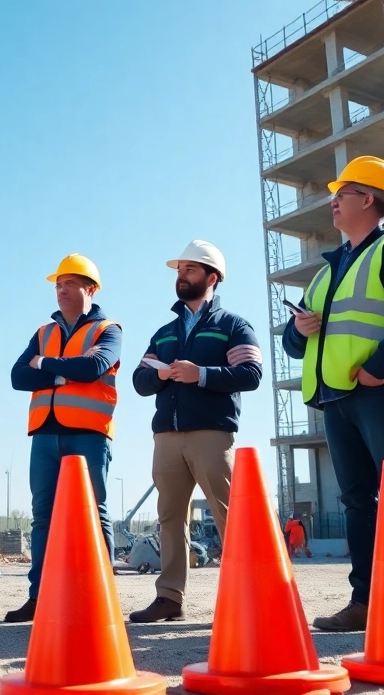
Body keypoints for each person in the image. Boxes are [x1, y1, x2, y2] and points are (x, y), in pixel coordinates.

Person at [281, 155, 384, 632]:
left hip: (381, 390)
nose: (333, 202)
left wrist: (377, 367)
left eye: (342, 194)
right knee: (357, 500)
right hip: (337, 397)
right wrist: (299, 327)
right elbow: (293, 343)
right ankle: (366, 601)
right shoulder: (328, 270)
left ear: (368, 199)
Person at [129, 240, 263, 622]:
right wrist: (162, 373)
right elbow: (140, 381)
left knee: (229, 514)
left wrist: (200, 375)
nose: (181, 276)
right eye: (179, 270)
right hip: (166, 438)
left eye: (189, 269)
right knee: (170, 516)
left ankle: (249, 594)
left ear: (212, 277)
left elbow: (251, 374)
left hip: (211, 433)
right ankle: (169, 597)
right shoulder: (164, 332)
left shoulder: (233, 326)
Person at [4, 254, 122, 623]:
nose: (61, 290)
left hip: (88, 435)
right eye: (58, 284)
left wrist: (44, 364)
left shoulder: (109, 330)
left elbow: (93, 368)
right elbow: (17, 377)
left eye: (69, 283)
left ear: (90, 289)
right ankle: (38, 596)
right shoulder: (44, 333)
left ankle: (100, 596)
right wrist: (58, 374)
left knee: (94, 514)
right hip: (45, 436)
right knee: (42, 518)